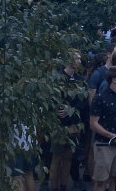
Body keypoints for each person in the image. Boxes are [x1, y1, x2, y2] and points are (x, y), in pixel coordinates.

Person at [50, 49, 86, 191]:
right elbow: (53, 101)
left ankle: (64, 186)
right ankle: (54, 187)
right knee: (56, 157)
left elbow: (82, 102)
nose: (78, 61)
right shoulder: (58, 77)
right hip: (58, 124)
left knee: (69, 157)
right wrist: (63, 115)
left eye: (79, 58)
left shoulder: (80, 79)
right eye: (76, 58)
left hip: (74, 123)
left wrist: (71, 117)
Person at [89, 65, 116, 191]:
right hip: (104, 144)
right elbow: (93, 124)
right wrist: (112, 136)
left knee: (115, 178)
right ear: (114, 79)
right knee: (101, 180)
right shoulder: (100, 97)